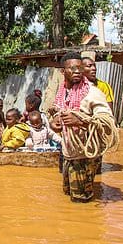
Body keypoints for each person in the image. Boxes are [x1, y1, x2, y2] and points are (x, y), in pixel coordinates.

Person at [49, 52, 118, 203]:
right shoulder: (62, 92)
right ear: (63, 71)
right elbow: (58, 111)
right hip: (68, 153)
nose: (77, 72)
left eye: (79, 68)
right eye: (72, 68)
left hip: (84, 156)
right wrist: (54, 122)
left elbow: (108, 123)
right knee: (68, 195)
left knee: (81, 202)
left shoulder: (92, 93)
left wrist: (80, 121)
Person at [81, 56, 116, 174]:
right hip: (80, 131)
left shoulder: (103, 86)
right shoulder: (75, 87)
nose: (93, 68)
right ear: (81, 69)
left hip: (95, 130)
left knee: (95, 167)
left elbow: (108, 110)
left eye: (94, 65)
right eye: (89, 66)